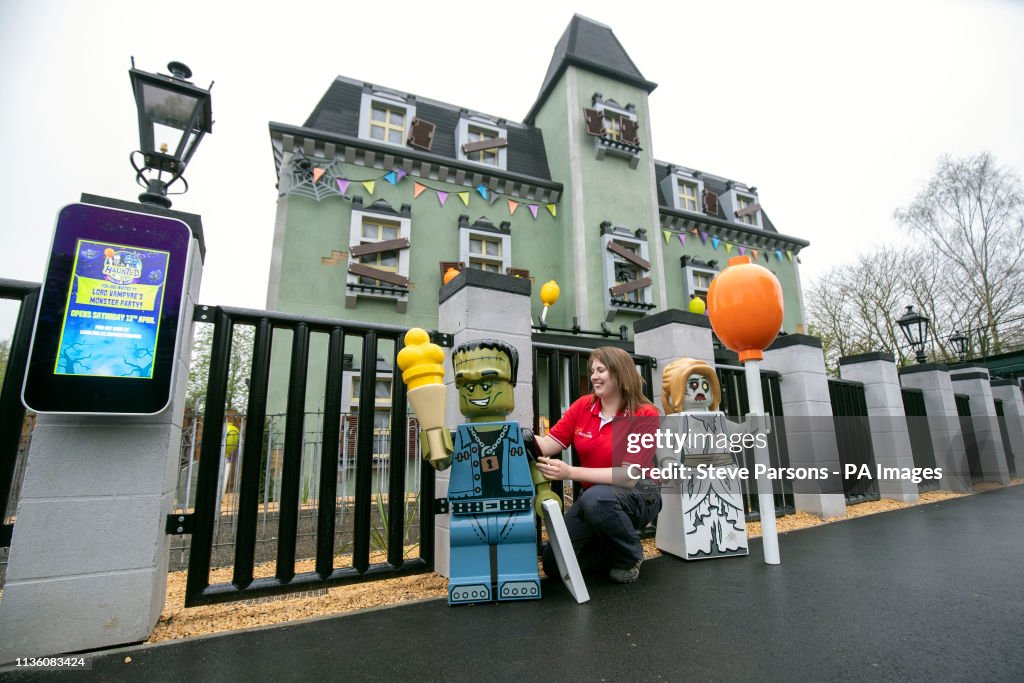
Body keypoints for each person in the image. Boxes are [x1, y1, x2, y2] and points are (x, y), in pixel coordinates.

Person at [530, 346, 661, 583]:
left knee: (597, 499)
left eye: (601, 370)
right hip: (596, 499)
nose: (594, 376)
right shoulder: (583, 406)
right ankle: (611, 548)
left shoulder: (645, 413)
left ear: (620, 373)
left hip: (639, 493)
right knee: (553, 563)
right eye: (592, 371)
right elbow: (549, 444)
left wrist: (569, 472)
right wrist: (520, 436)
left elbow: (628, 476)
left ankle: (630, 556)